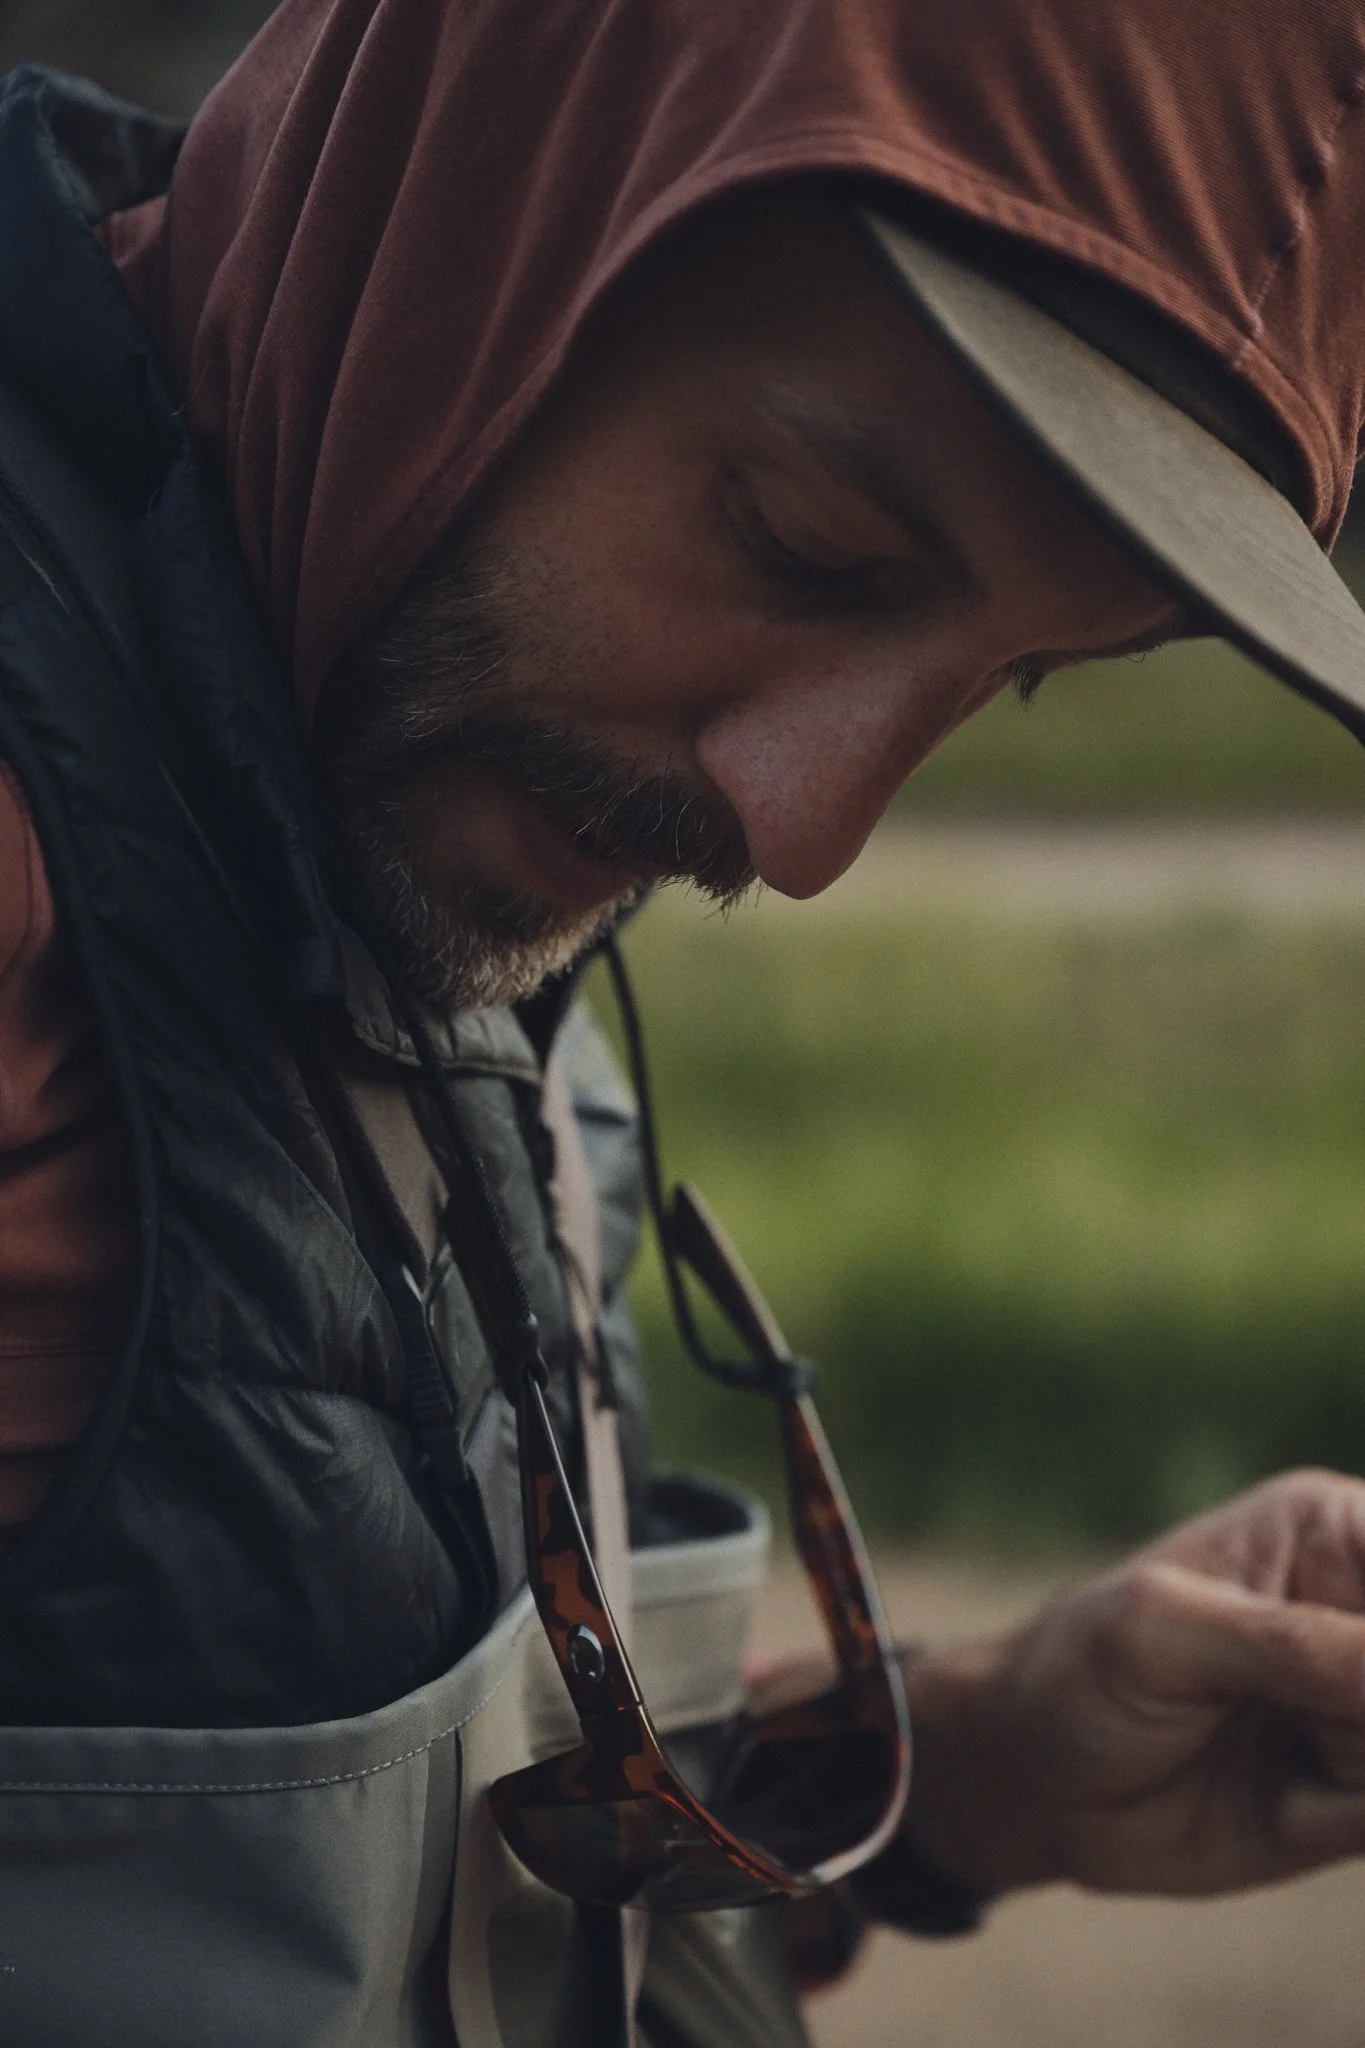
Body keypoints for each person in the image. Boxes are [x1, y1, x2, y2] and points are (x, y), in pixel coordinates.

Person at [3, 1, 1365, 2042]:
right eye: (807, 549)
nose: (807, 828)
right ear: (508, 198)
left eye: (1002, 681)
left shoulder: (386, 764)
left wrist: (970, 1774)